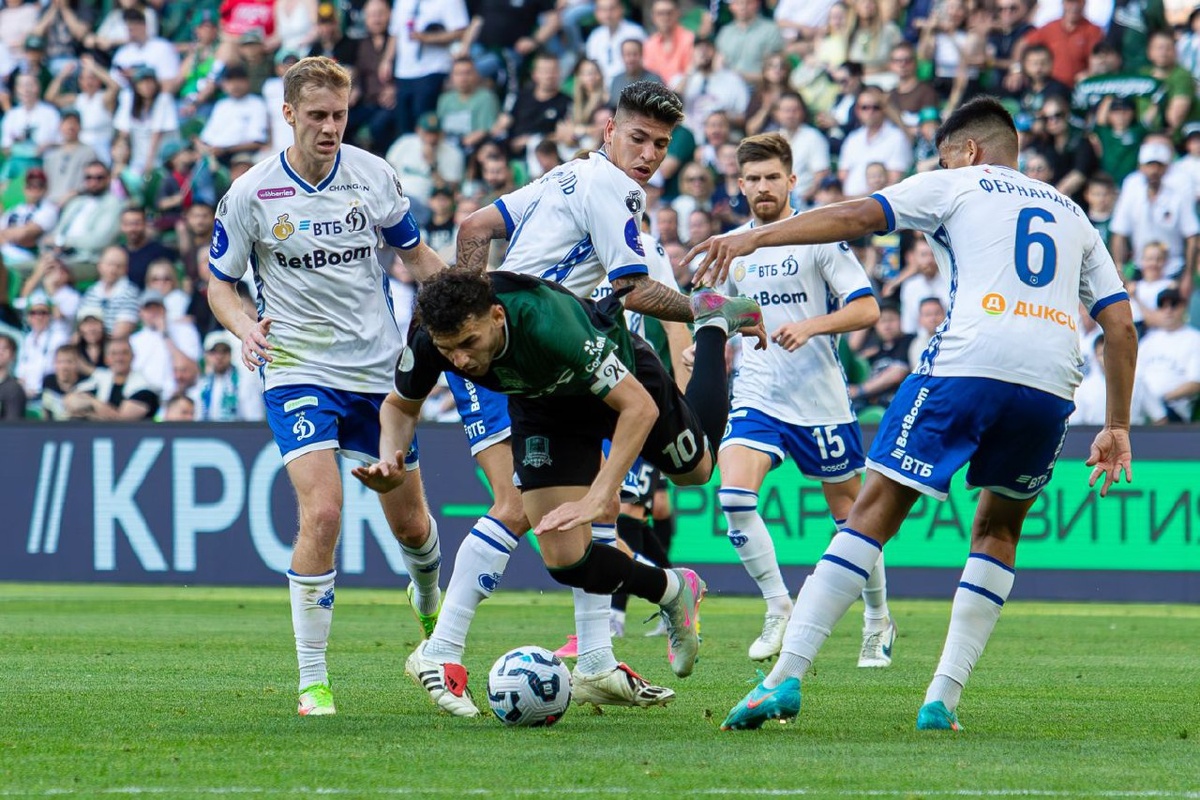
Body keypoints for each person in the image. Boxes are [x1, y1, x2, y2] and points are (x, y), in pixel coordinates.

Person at [688, 95, 1137, 732]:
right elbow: (1120, 327)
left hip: (967, 363)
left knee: (873, 511)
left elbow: (855, 215)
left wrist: (753, 236)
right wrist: (1116, 425)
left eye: (944, 157)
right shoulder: (1073, 214)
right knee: (998, 531)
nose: (941, 166)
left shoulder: (956, 182)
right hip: (1050, 382)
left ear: (969, 152)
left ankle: (783, 677)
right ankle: (941, 702)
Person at [409, 81, 765, 717]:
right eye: (639, 139)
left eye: (661, 144)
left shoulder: (566, 176)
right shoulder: (607, 186)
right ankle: (463, 650)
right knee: (550, 536)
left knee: (689, 474)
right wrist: (470, 308)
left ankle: (586, 653)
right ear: (609, 130)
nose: (650, 155)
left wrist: (472, 294)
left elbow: (477, 227)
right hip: (524, 358)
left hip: (581, 359)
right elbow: (631, 288)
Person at [355, 268, 760, 701]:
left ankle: (713, 326)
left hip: (623, 383)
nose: (461, 361)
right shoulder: (433, 337)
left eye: (469, 343)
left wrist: (599, 495)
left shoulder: (549, 324)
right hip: (544, 410)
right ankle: (673, 590)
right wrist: (391, 458)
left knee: (695, 472)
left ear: (497, 316)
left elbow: (638, 409)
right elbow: (399, 407)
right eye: (447, 350)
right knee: (566, 560)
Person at [205, 56, 451, 717]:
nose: (330, 127)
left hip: (379, 374)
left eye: (339, 115)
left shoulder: (373, 175)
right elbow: (219, 285)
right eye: (316, 115)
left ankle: (427, 597)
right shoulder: (251, 194)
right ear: (288, 114)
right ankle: (313, 681)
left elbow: (415, 256)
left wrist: (469, 301)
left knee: (414, 528)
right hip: (297, 369)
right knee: (323, 514)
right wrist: (243, 328)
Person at [703, 132, 894, 665]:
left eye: (772, 177)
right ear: (741, 185)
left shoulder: (819, 238)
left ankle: (878, 618)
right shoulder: (732, 247)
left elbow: (866, 309)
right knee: (734, 498)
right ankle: (778, 606)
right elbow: (718, 312)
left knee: (853, 518)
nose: (763, 187)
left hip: (819, 398)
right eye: (753, 179)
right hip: (759, 392)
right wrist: (706, 341)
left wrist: (812, 326)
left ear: (791, 180)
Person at [0, 333, 27, 420]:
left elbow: (12, 423)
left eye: (4, 349)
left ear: (13, 355)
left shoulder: (14, 389)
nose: (0, 352)